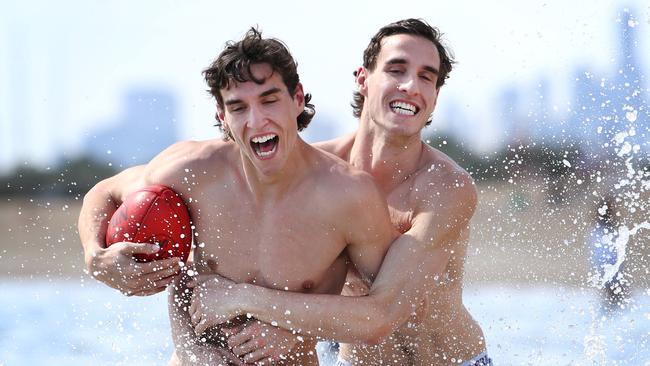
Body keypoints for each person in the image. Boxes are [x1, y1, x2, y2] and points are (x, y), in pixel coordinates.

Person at [78, 28, 397, 365]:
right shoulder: (193, 171)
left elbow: (378, 316)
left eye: (269, 100)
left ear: (298, 99)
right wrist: (95, 257)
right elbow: (105, 191)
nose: (256, 121)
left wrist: (293, 327)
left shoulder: (348, 196)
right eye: (238, 107)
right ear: (222, 117)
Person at [189, 19, 492, 366]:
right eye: (396, 70)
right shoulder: (312, 174)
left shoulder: (445, 187)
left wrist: (254, 304)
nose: (411, 85)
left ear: (435, 97)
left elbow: (385, 311)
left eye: (427, 77)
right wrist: (111, 255)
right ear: (363, 79)